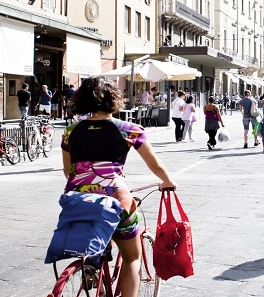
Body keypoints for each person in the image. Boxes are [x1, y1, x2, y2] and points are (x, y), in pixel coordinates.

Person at [61, 76, 177, 297]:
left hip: (76, 200)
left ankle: (92, 265)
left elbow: (69, 172)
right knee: (132, 257)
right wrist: (168, 182)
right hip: (115, 199)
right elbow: (156, 164)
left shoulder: (70, 132)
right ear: (114, 99)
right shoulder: (129, 129)